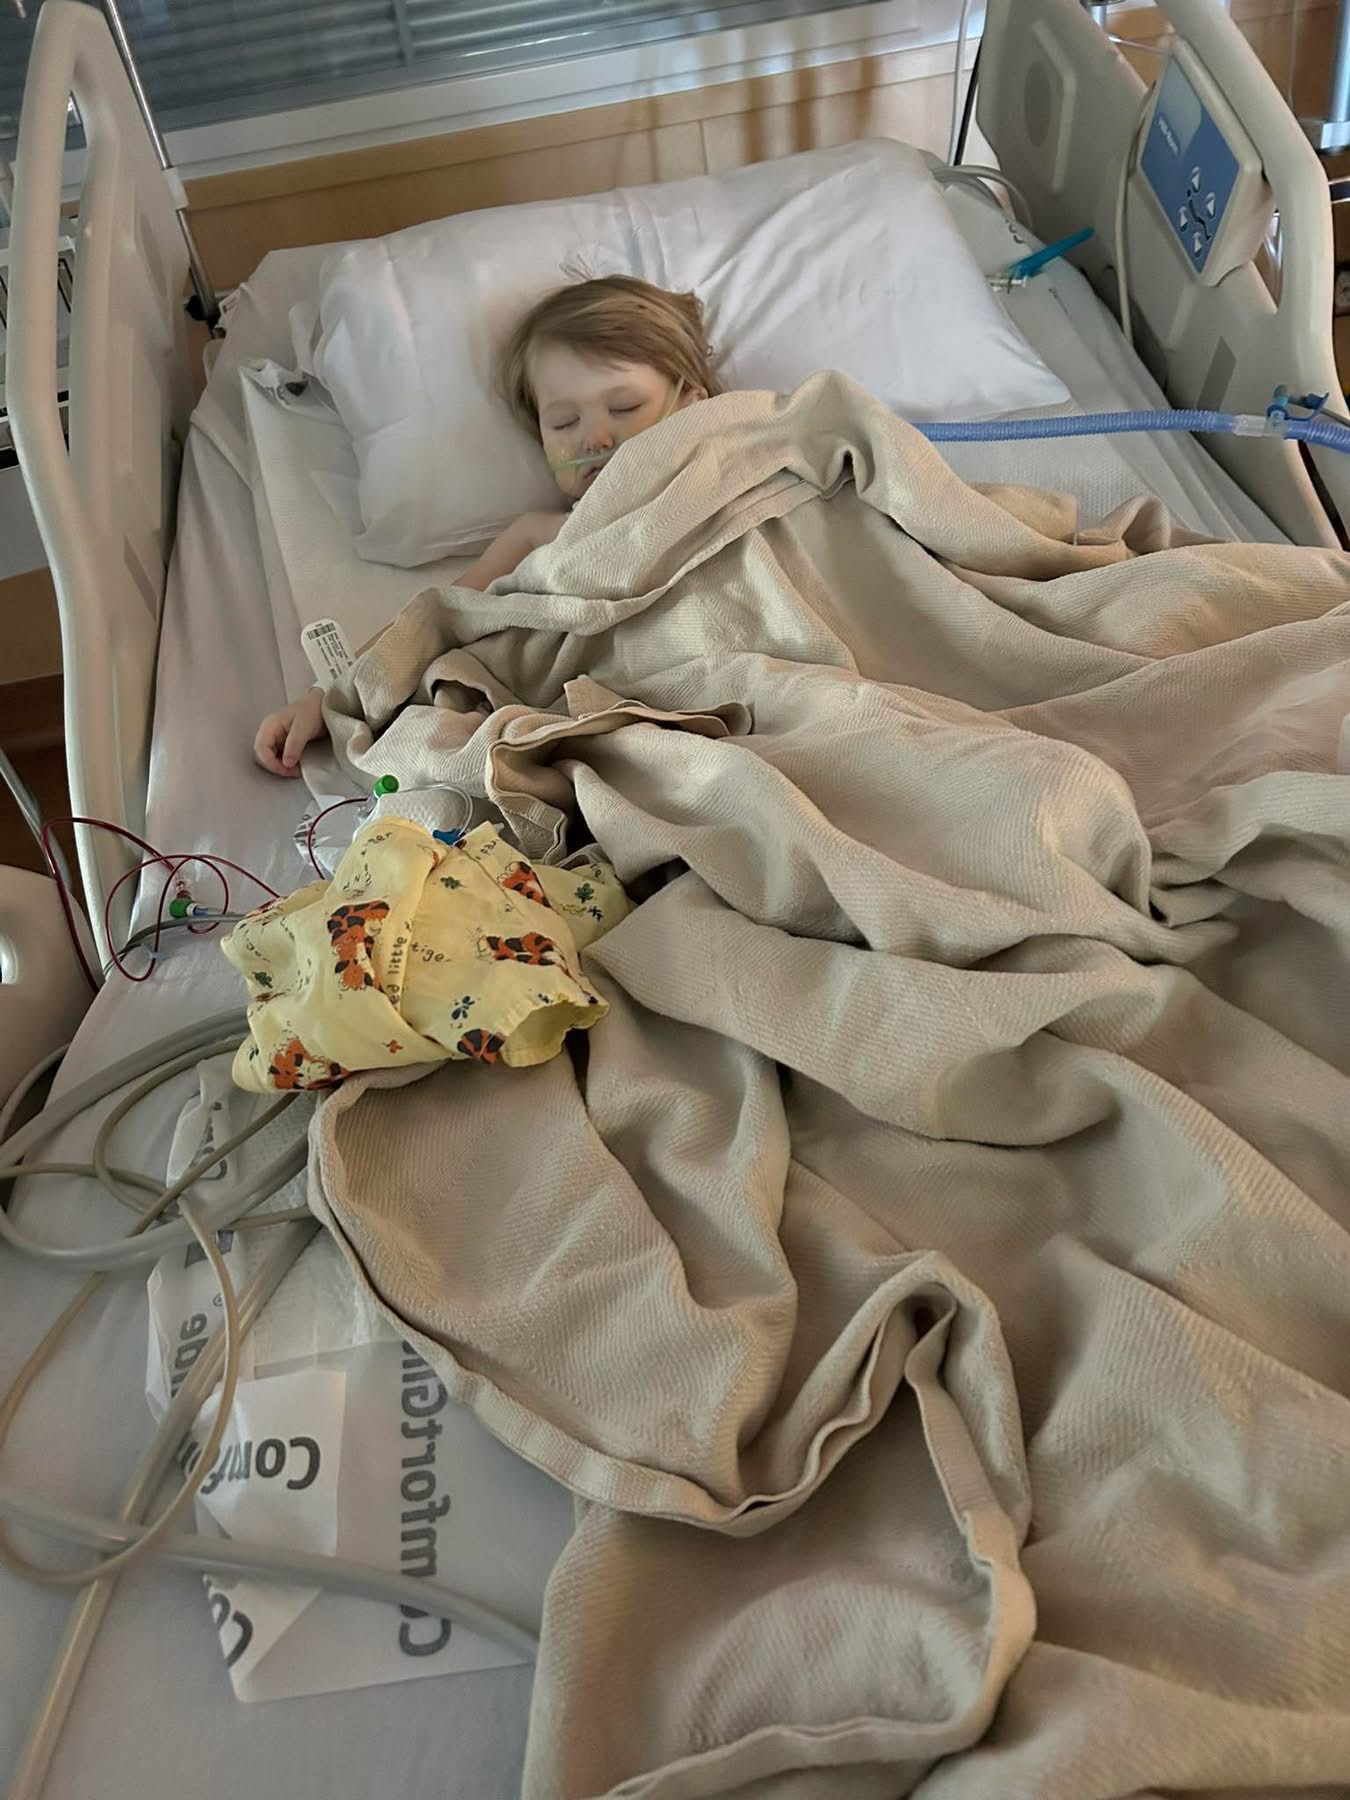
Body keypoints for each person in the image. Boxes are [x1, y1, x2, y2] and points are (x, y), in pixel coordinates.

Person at [254, 274, 720, 777]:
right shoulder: (538, 534)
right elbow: (432, 621)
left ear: (692, 404)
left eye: (624, 407)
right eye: (564, 422)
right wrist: (326, 697)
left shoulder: (738, 476)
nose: (595, 438)